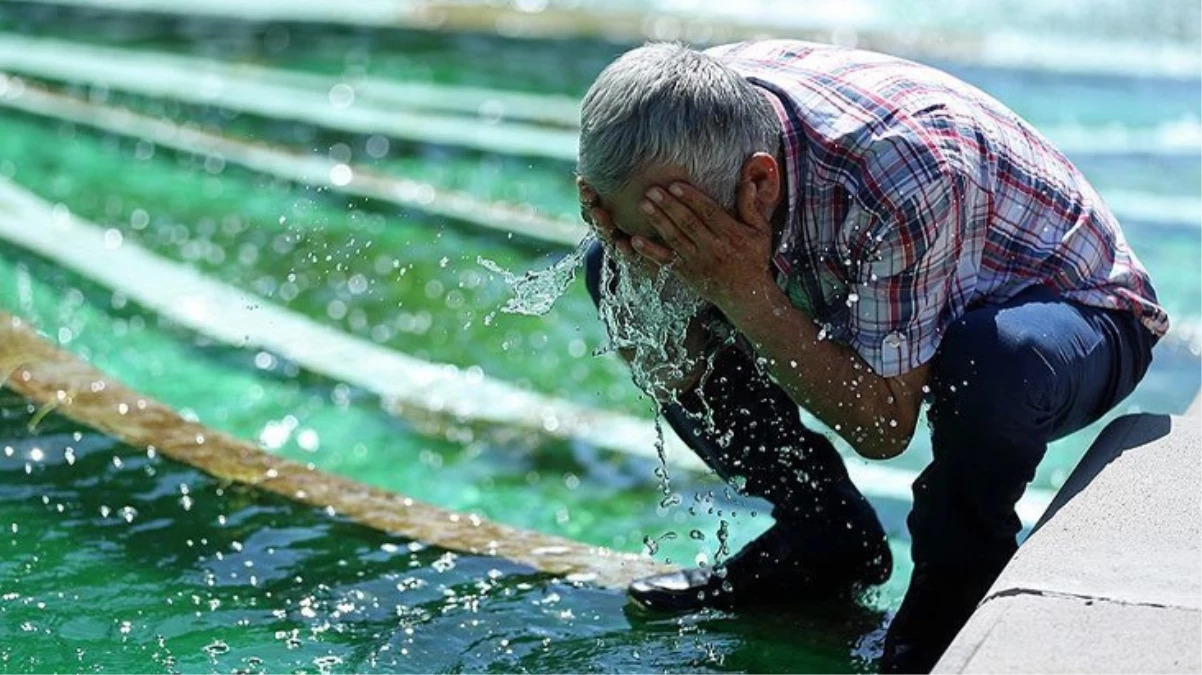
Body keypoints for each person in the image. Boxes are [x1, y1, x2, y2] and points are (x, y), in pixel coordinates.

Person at [574, 41, 1167, 673]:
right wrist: (642, 275)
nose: (653, 252)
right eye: (622, 226)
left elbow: (883, 427)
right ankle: (825, 536)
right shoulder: (651, 124)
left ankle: (954, 595)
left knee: (989, 361)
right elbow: (673, 350)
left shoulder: (901, 171)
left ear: (758, 182)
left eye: (677, 236)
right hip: (880, 267)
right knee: (610, 275)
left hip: (1078, 314)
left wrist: (744, 292)